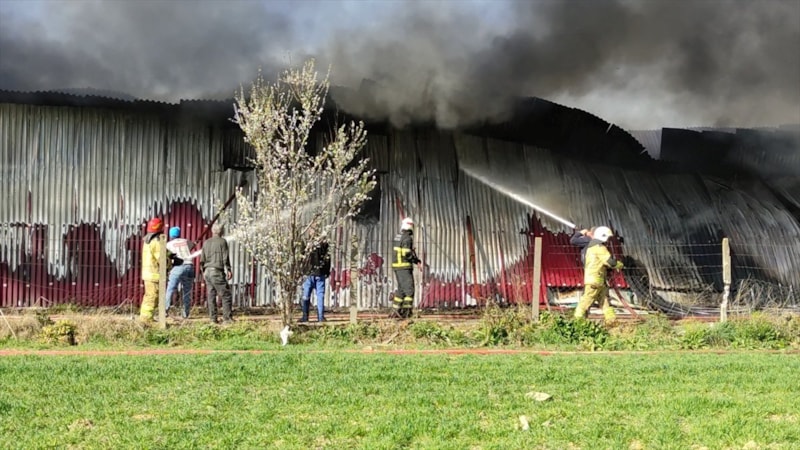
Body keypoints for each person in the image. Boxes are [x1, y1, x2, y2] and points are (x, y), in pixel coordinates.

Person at [574, 226, 623, 323]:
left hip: (597, 280)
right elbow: (609, 262)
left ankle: (612, 321)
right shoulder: (600, 248)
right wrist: (618, 264)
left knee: (604, 301)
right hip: (595, 280)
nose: (608, 240)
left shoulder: (591, 247)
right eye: (607, 238)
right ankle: (577, 320)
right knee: (586, 300)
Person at [200, 223, 233, 324]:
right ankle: (227, 319)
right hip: (216, 271)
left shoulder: (206, 242)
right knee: (226, 294)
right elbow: (225, 257)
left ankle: (213, 319)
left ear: (212, 231)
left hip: (207, 272)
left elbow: (202, 259)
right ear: (221, 231)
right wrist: (228, 269)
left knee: (211, 295)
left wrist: (203, 272)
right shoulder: (222, 242)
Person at [165, 226, 199, 319]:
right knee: (187, 292)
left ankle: (165, 310)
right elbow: (192, 245)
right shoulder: (186, 241)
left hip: (178, 267)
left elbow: (168, 257)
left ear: (170, 235)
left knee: (170, 289)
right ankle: (185, 314)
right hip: (189, 266)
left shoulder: (168, 244)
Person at [391, 217, 420, 319]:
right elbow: (406, 253)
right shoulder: (407, 238)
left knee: (401, 291)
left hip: (397, 267)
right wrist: (416, 260)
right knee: (409, 291)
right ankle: (407, 313)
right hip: (404, 267)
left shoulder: (398, 237)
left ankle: (395, 312)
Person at [299, 238, 331, 323]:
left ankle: (305, 317)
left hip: (308, 273)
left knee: (306, 295)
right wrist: (327, 272)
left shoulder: (306, 242)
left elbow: (301, 258)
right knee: (320, 295)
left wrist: (302, 271)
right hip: (320, 273)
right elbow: (327, 258)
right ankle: (320, 318)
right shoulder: (324, 244)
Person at [139, 217, 164, 322]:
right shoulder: (156, 242)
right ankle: (146, 319)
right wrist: (171, 262)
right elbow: (161, 259)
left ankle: (147, 317)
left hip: (147, 274)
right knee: (152, 297)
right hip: (154, 274)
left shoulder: (147, 241)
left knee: (150, 296)